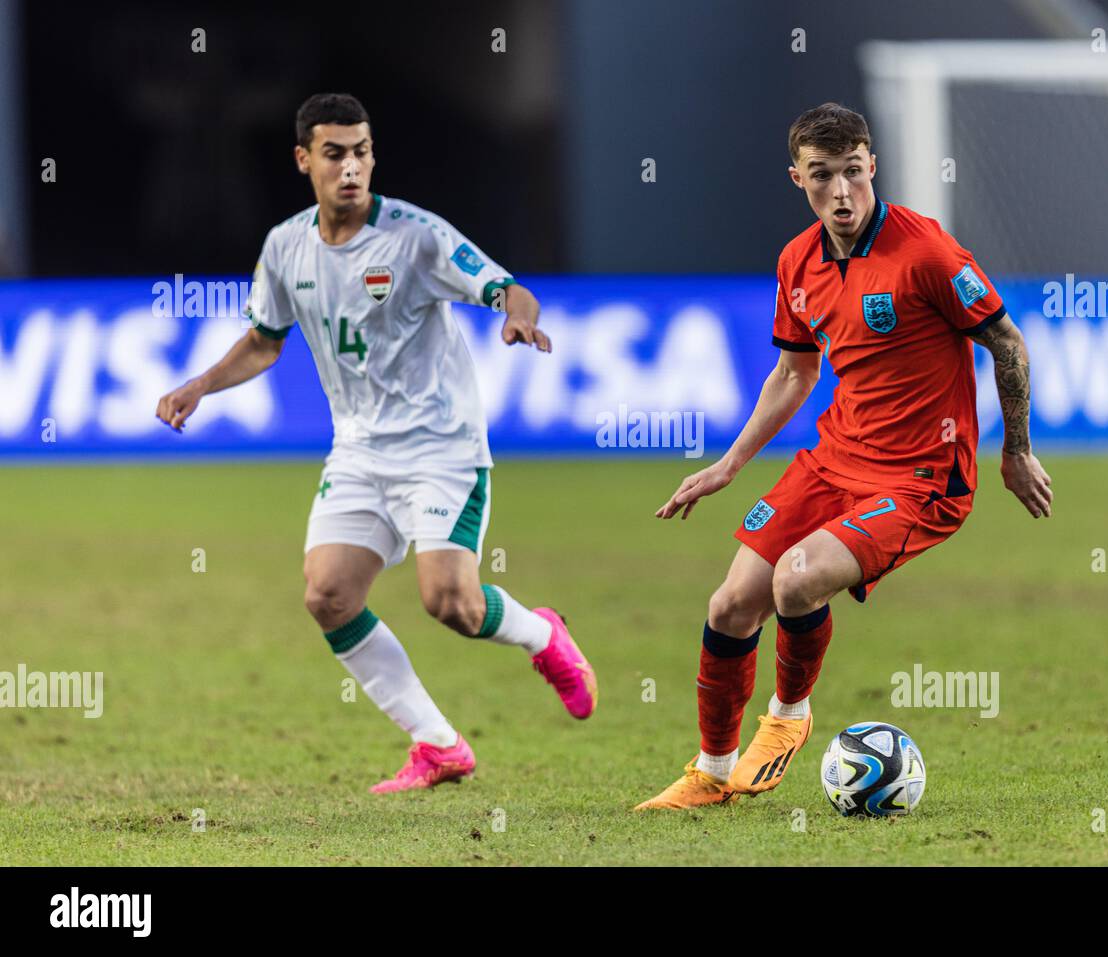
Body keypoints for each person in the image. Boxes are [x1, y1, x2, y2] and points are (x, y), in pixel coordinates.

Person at [156, 93, 596, 794]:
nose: (352, 167)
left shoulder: (416, 236)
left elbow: (508, 288)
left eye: (362, 151)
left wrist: (516, 318)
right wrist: (200, 385)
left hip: (441, 447)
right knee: (328, 594)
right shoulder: (284, 247)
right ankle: (438, 744)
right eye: (335, 154)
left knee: (449, 602)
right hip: (359, 451)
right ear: (304, 160)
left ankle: (545, 636)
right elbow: (265, 343)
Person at [636, 102, 1051, 811]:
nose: (841, 192)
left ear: (872, 167)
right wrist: (727, 465)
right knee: (731, 603)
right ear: (797, 176)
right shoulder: (796, 261)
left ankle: (790, 716)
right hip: (835, 459)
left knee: (796, 580)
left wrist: (1016, 450)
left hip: (924, 478)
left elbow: (1007, 343)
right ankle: (710, 772)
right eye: (822, 175)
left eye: (853, 173)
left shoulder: (927, 252)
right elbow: (794, 374)